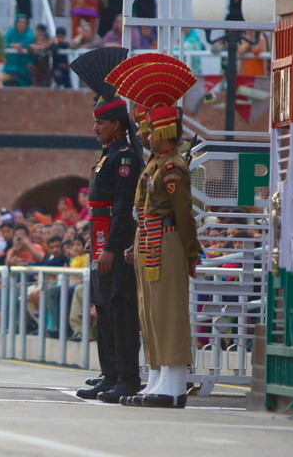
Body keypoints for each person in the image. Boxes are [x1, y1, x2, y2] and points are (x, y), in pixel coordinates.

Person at [107, 53, 200, 409]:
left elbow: (184, 216)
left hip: (169, 240)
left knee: (168, 311)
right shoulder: (156, 165)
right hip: (149, 239)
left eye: (148, 128)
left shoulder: (173, 167)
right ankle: (159, 377)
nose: (143, 135)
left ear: (161, 131)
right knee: (150, 311)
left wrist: (192, 253)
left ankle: (174, 381)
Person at [70, 47, 143, 403]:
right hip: (99, 241)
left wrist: (112, 247)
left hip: (113, 244)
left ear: (115, 124)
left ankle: (127, 377)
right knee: (103, 311)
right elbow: (98, 209)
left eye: (100, 122)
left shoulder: (126, 157)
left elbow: (123, 209)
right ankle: (110, 374)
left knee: (120, 310)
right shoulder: (109, 154)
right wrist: (93, 242)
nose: (95, 127)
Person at [3, 14, 37, 86]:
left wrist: (21, 45)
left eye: (24, 22)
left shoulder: (29, 33)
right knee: (7, 81)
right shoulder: (11, 32)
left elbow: (30, 40)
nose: (22, 24)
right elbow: (2, 42)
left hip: (24, 66)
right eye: (20, 22)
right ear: (16, 23)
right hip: (10, 66)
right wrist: (11, 45)